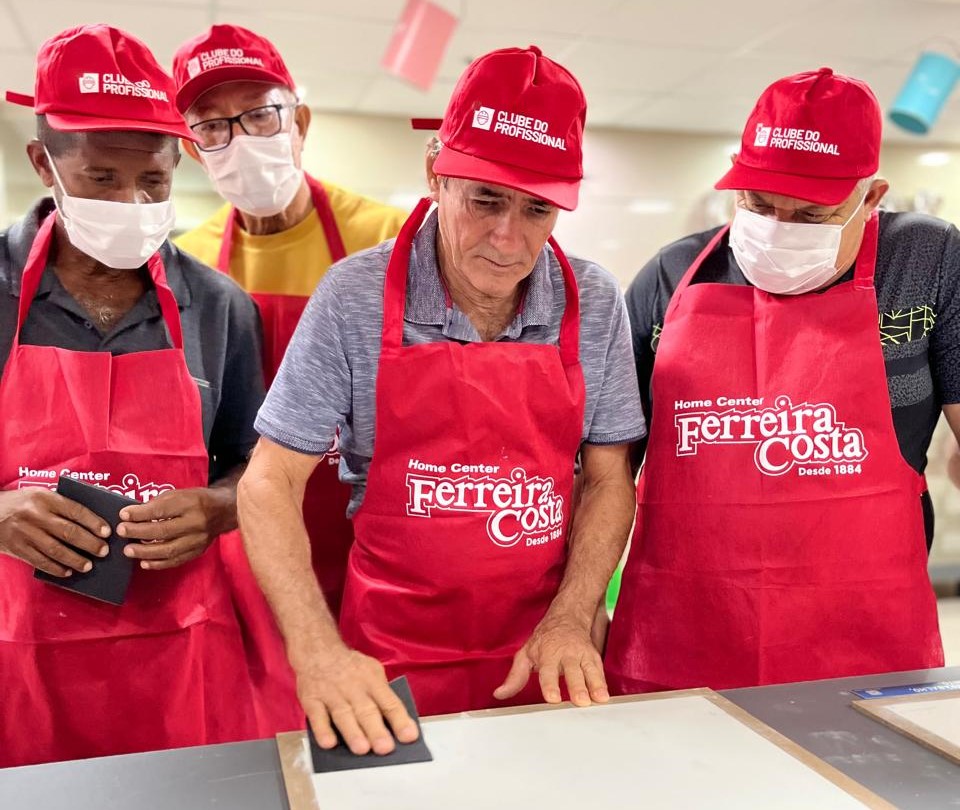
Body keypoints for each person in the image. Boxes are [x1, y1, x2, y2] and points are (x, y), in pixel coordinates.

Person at [238, 45, 645, 756]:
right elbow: (269, 481)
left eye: (538, 209)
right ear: (435, 171)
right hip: (391, 654)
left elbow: (610, 479)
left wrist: (574, 614)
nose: (507, 238)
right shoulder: (355, 296)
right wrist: (317, 651)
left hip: (540, 648)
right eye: (485, 199)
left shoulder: (595, 300)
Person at [605, 68, 952, 695]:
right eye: (759, 205)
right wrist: (575, 609)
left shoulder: (927, 260)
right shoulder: (674, 274)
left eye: (812, 215)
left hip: (865, 638)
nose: (779, 228)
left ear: (871, 198)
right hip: (683, 636)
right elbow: (605, 470)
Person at [0, 25, 264, 766]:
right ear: (43, 163)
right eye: (101, 179)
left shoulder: (220, 307)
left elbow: (256, 462)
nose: (131, 201)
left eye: (153, 180)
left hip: (177, 650)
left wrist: (219, 507)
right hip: (17, 652)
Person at [172, 25, 406, 621]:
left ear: (298, 123)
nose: (241, 141)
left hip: (366, 538)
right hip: (240, 543)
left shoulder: (388, 241)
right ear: (194, 150)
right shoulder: (190, 266)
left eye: (259, 115)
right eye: (213, 127)